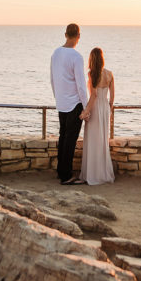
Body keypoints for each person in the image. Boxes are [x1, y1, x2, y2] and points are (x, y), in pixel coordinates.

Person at [50, 23, 89, 185]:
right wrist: (86, 107)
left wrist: (57, 97)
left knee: (63, 137)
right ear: (78, 37)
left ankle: (62, 172)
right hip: (74, 103)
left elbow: (52, 79)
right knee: (70, 140)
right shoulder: (76, 57)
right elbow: (81, 84)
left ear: (65, 34)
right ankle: (66, 176)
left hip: (62, 102)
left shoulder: (55, 53)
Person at [79, 47, 115, 185]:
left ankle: (92, 174)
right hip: (105, 108)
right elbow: (112, 98)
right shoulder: (110, 74)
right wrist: (109, 111)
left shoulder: (92, 74)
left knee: (93, 140)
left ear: (91, 59)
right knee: (102, 140)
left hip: (94, 108)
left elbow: (93, 95)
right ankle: (103, 173)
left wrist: (86, 112)